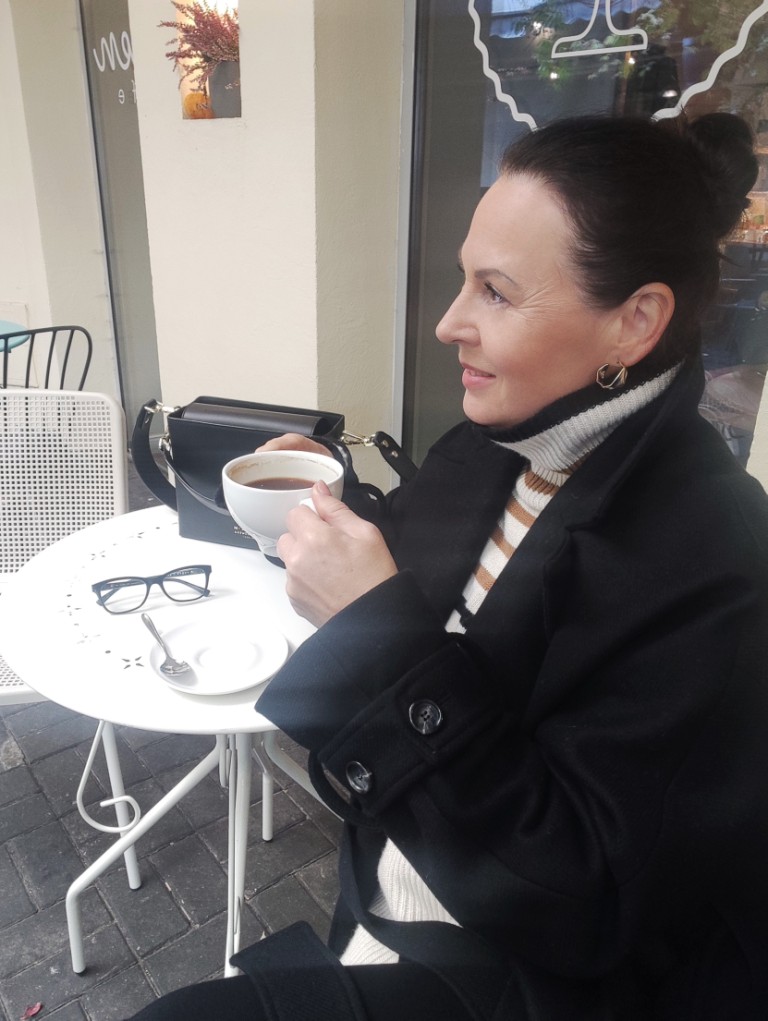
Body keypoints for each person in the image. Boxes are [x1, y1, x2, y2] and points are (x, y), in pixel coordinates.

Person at [129, 113, 768, 1020]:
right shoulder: (497, 440)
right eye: (463, 279)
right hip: (385, 884)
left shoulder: (715, 565)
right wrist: (336, 508)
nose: (447, 324)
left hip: (509, 975)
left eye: (495, 293)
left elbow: (582, 894)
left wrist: (374, 634)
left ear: (634, 321)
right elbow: (433, 577)